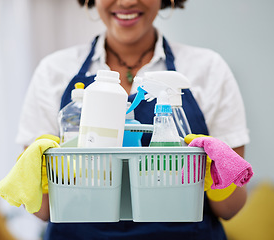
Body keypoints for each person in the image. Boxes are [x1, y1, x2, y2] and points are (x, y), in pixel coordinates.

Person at [16, 0, 250, 239]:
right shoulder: (54, 70)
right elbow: (42, 210)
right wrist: (40, 179)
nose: (127, 1)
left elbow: (231, 209)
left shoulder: (207, 69)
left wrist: (217, 177)